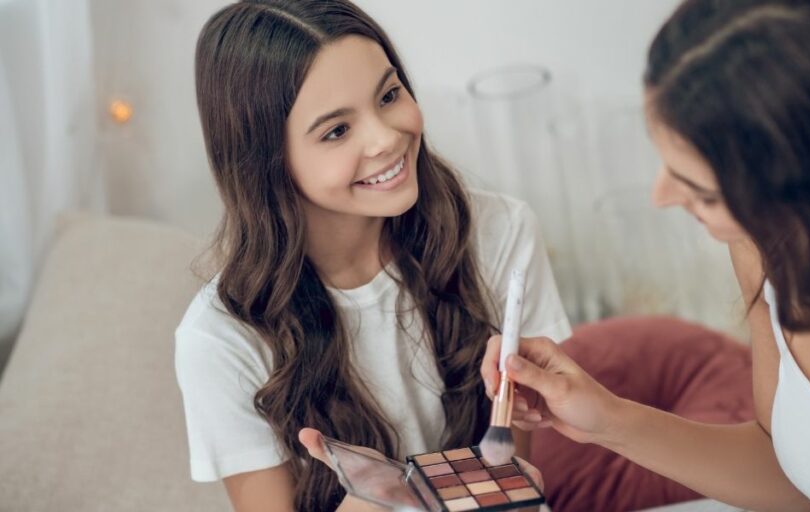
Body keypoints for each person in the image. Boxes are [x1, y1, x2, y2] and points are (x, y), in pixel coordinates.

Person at [481, 0, 810, 510]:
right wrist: (606, 420)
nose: (661, 196)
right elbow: (801, 475)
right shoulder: (767, 250)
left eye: (703, 190)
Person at [175, 1, 569, 510]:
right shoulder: (220, 340)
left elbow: (511, 478)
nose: (387, 138)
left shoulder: (500, 234)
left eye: (388, 95)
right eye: (337, 131)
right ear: (264, 162)